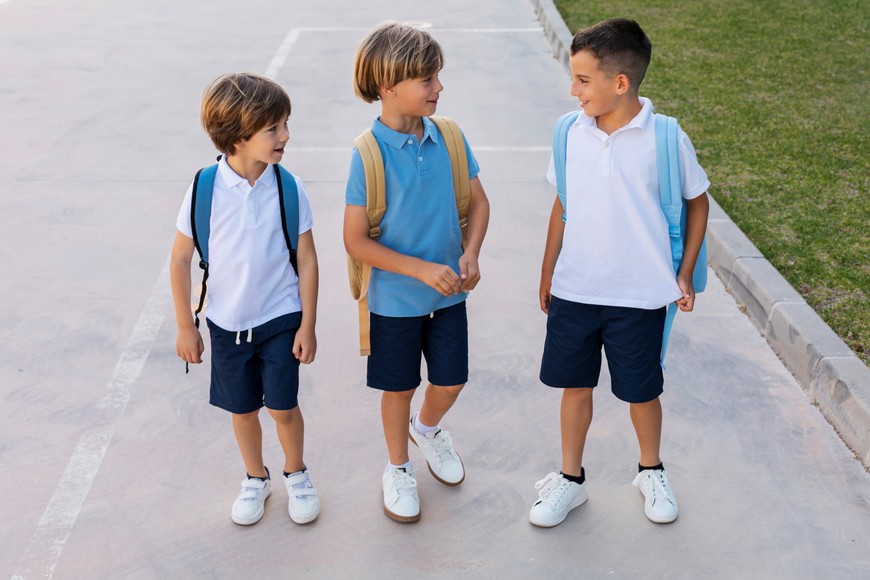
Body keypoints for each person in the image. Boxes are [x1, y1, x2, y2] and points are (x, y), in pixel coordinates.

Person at [529, 18, 710, 527]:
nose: (573, 90)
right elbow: (562, 204)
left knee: (642, 391)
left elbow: (698, 203)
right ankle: (569, 480)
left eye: (583, 80)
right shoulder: (569, 132)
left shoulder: (666, 138)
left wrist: (686, 270)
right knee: (574, 386)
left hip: (639, 295)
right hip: (576, 290)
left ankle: (650, 470)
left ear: (620, 83)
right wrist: (547, 273)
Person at [344, 22, 490, 523]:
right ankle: (398, 467)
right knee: (398, 388)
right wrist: (420, 269)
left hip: (449, 296)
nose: (439, 88)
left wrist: (470, 253)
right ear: (389, 86)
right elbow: (355, 240)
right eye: (427, 79)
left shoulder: (449, 136)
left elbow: (479, 202)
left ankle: (426, 430)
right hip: (394, 302)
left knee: (450, 382)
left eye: (437, 78)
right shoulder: (367, 154)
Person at [170, 73, 321, 526]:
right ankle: (256, 477)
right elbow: (179, 260)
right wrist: (185, 325)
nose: (285, 136)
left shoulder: (288, 187)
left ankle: (296, 473)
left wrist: (308, 325)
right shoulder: (203, 188)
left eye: (285, 124)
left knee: (283, 406)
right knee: (243, 409)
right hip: (226, 322)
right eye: (273, 128)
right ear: (237, 137)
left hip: (280, 318)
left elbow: (308, 260)